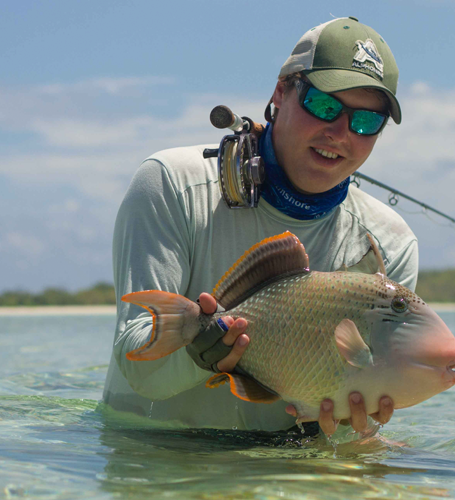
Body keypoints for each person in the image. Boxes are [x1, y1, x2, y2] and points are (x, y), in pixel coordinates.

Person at [102, 17, 419, 438]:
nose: (341, 133)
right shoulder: (172, 183)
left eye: (366, 123)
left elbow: (361, 413)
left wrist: (353, 427)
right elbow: (138, 367)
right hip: (159, 458)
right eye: (324, 105)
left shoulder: (390, 242)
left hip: (287, 470)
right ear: (281, 92)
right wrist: (200, 354)